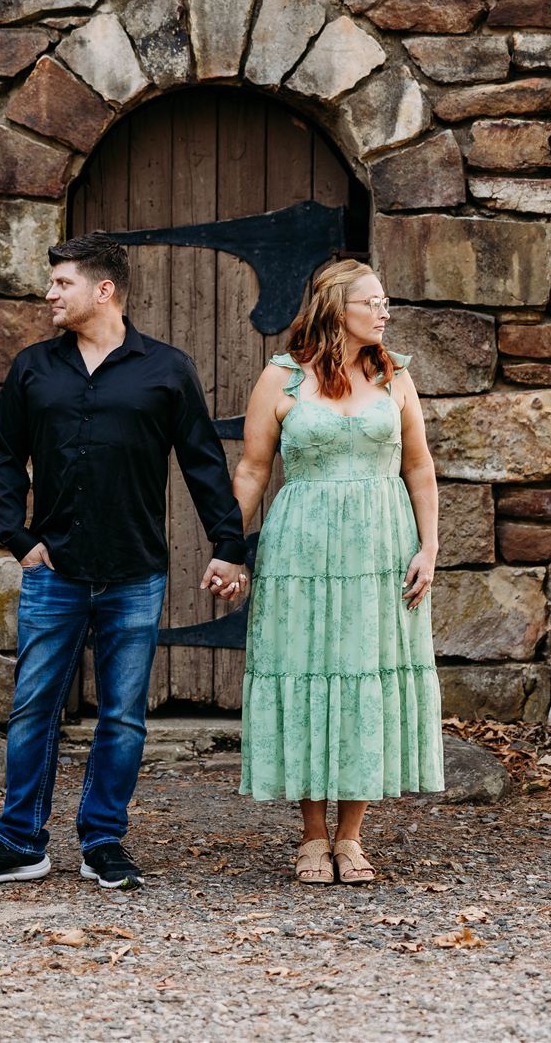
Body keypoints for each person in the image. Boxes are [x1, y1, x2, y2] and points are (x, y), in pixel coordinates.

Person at [0, 232, 248, 891]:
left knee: (123, 715)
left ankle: (103, 841)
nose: (50, 293)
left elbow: (202, 462)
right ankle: (20, 841)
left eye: (62, 283)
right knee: (33, 709)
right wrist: (14, 534)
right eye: (52, 283)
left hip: (135, 573)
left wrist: (230, 544)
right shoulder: (33, 368)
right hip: (53, 571)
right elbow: (4, 459)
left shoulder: (166, 369)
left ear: (102, 289)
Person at [226, 260, 444, 886]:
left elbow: (420, 468)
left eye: (385, 301)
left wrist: (429, 548)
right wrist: (229, 547)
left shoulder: (395, 375)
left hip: (382, 544)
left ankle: (351, 836)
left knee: (364, 675)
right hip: (302, 550)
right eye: (372, 302)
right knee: (309, 670)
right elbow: (252, 471)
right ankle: (312, 835)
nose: (384, 312)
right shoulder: (282, 378)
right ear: (334, 308)